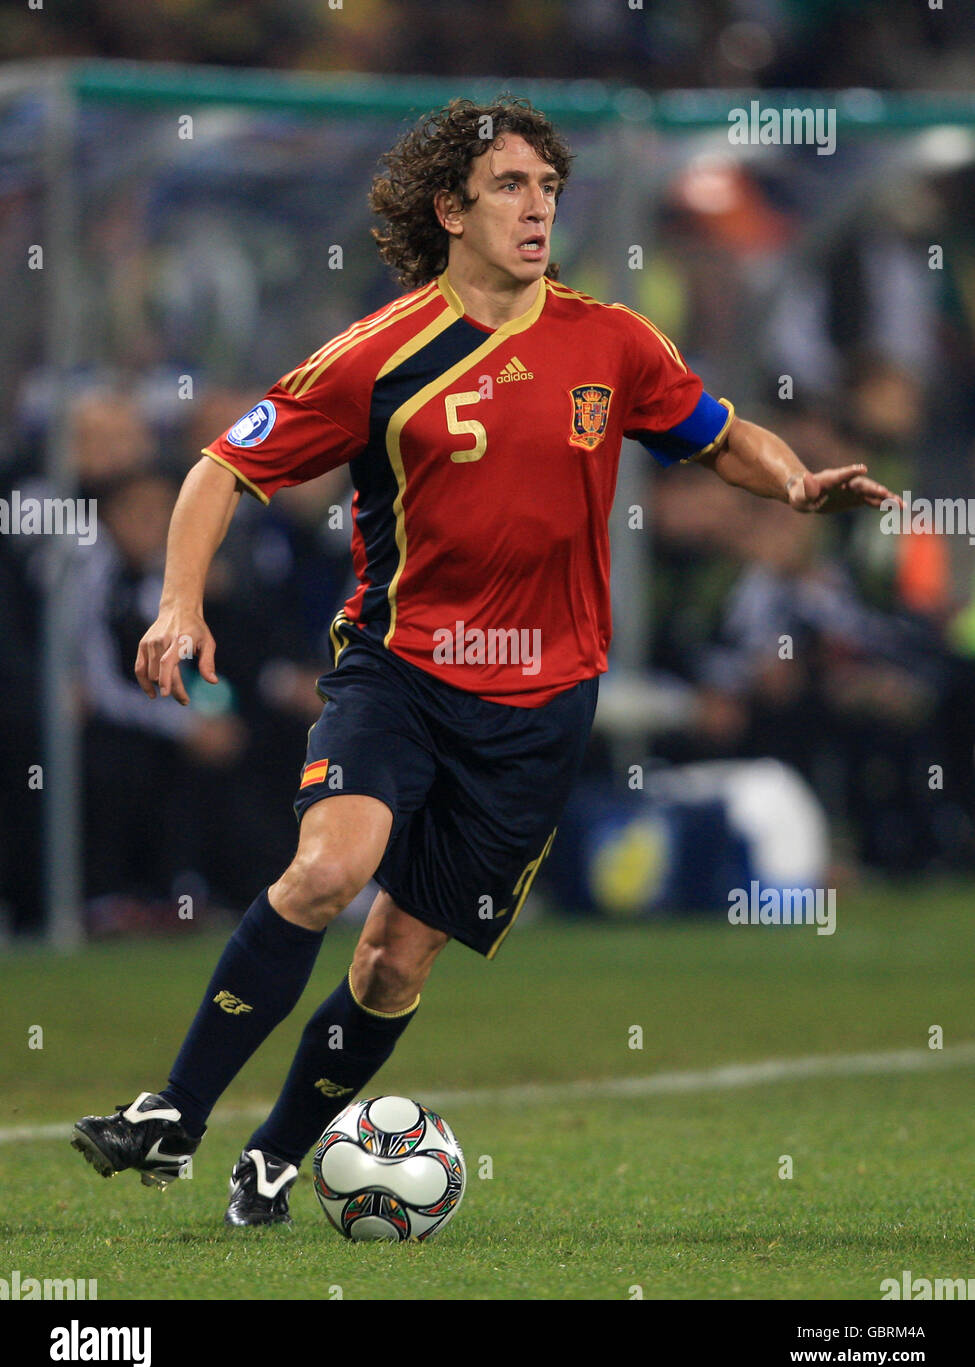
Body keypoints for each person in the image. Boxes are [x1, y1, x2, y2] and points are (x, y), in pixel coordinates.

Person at [72, 96, 898, 1224]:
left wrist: (795, 479)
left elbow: (719, 429)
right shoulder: (377, 355)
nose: (538, 206)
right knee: (327, 867)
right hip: (399, 670)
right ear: (450, 208)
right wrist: (178, 606)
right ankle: (174, 1109)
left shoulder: (612, 340)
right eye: (511, 185)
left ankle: (271, 1158)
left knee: (393, 963)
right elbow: (221, 467)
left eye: (548, 187)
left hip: (542, 704)